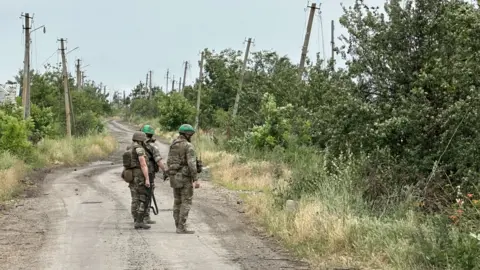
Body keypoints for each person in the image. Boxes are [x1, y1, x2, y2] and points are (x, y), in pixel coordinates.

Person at [166, 124, 200, 234]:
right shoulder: (188, 146)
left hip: (174, 176)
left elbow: (169, 161)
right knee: (186, 202)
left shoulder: (173, 144)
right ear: (188, 134)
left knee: (177, 202)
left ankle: (178, 225)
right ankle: (181, 227)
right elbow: (191, 164)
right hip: (184, 178)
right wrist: (195, 179)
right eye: (191, 134)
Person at [140, 124, 167, 224]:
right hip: (149, 172)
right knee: (148, 194)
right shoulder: (152, 146)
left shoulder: (136, 144)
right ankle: (145, 217)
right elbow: (158, 160)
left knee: (138, 194)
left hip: (137, 173)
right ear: (151, 135)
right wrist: (165, 170)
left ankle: (137, 216)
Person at [127, 131, 151, 229]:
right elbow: (143, 164)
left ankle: (135, 219)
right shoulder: (139, 149)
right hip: (139, 176)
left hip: (131, 176)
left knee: (134, 198)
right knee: (142, 198)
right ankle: (139, 221)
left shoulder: (130, 148)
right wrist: (147, 179)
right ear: (141, 139)